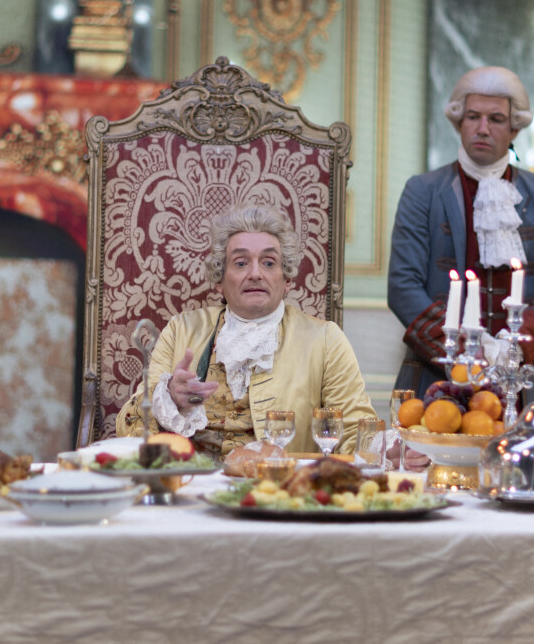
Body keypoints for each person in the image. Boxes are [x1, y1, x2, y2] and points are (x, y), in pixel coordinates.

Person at [116, 203, 378, 457]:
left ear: (287, 280)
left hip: (277, 489)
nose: (255, 273)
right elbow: (129, 429)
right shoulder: (181, 330)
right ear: (219, 281)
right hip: (193, 484)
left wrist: (389, 449)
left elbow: (356, 432)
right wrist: (170, 396)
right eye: (241, 263)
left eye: (268, 263)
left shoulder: (325, 340)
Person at [388, 66, 534, 397]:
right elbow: (403, 287)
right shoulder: (422, 190)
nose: (483, 128)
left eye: (496, 119)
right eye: (473, 117)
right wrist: (469, 350)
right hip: (437, 375)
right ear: (459, 123)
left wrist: (516, 350)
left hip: (522, 381)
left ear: (514, 128)